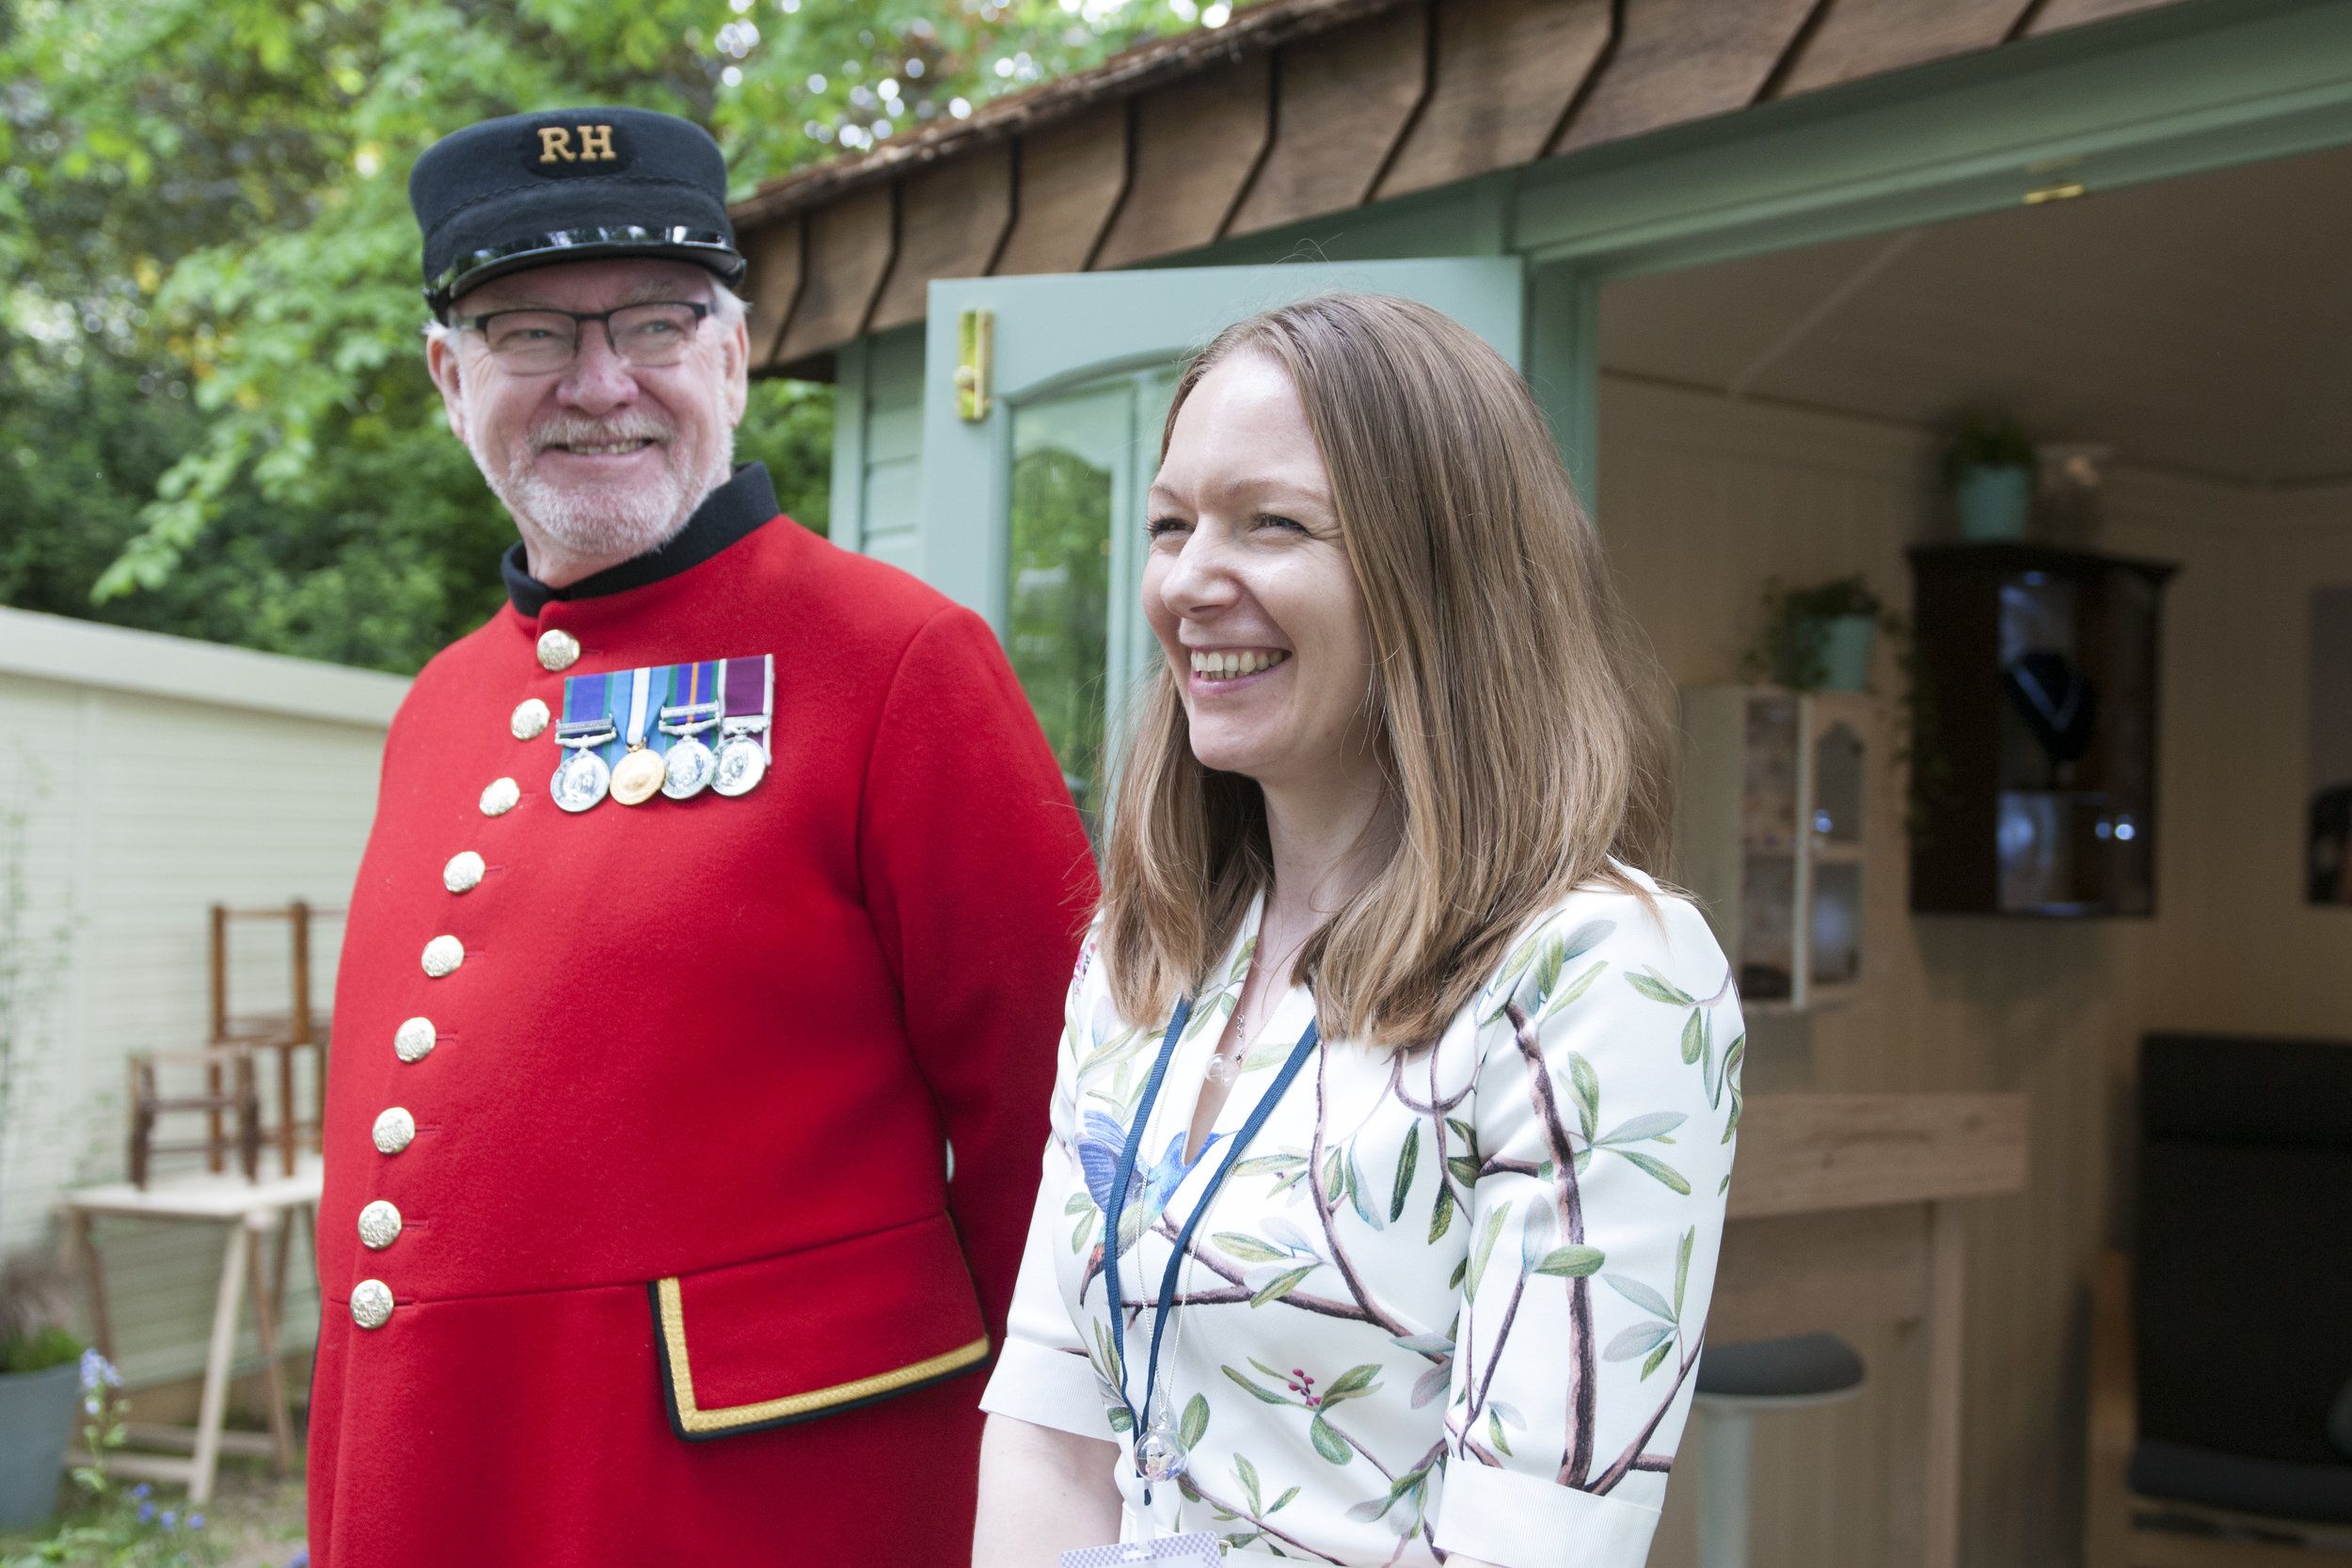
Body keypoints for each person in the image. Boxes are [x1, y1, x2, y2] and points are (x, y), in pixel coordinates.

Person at [306, 106, 1096, 1565]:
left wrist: (1054, 1511)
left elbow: (1057, 1141)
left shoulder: (899, 657)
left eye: (656, 323)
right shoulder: (442, 703)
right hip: (453, 1478)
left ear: (730, 357)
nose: (600, 382)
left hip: (769, 1503)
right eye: (532, 331)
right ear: (449, 374)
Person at [971, 295, 1740, 1568]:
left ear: (1443, 574)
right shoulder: (1143, 953)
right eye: (1171, 524)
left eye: (1272, 524)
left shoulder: (1601, 972)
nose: (1186, 583)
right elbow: (1051, 1429)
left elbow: (1533, 1536)